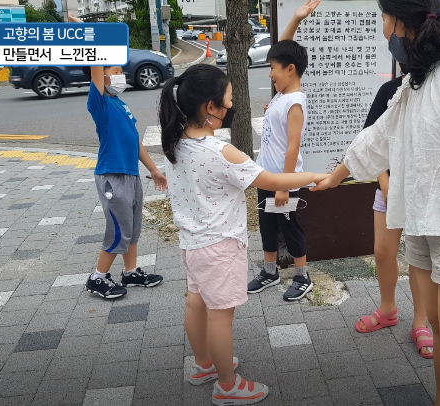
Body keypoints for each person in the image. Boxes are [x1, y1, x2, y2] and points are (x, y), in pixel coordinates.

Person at [311, 1, 440, 404]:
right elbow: (380, 135)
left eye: (384, 19)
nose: (383, 29)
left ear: (402, 21)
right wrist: (335, 177)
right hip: (425, 223)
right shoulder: (418, 78)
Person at [159, 64, 326, 405]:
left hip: (193, 244)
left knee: (196, 303)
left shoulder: (174, 142)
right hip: (220, 246)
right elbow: (272, 180)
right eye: (229, 99)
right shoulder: (220, 152)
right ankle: (227, 385)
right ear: (210, 106)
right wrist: (312, 176)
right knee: (221, 316)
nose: (231, 105)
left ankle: (204, 365)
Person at [68, 14, 168, 300]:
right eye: (115, 69)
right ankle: (97, 278)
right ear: (101, 75)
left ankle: (130, 272)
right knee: (118, 228)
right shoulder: (99, 102)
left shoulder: (120, 104)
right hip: (112, 174)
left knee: (132, 228)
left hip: (131, 174)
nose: (121, 73)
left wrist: (153, 169)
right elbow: (95, 65)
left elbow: (135, 142)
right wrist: (89, 34)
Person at [356, 64, 433, 359]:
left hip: (423, 190)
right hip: (389, 188)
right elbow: (371, 140)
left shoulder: (434, 90)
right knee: (383, 251)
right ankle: (388, 309)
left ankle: (421, 322)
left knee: (419, 258)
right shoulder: (389, 90)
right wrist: (385, 184)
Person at [247, 0, 321, 301]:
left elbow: (293, 146)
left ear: (290, 70)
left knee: (289, 227)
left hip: (283, 179)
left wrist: (285, 185)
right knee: (267, 226)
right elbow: (282, 50)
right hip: (267, 176)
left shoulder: (295, 101)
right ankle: (270, 271)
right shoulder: (281, 94)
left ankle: (303, 277)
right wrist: (296, 19)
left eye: (273, 69)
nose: (270, 74)